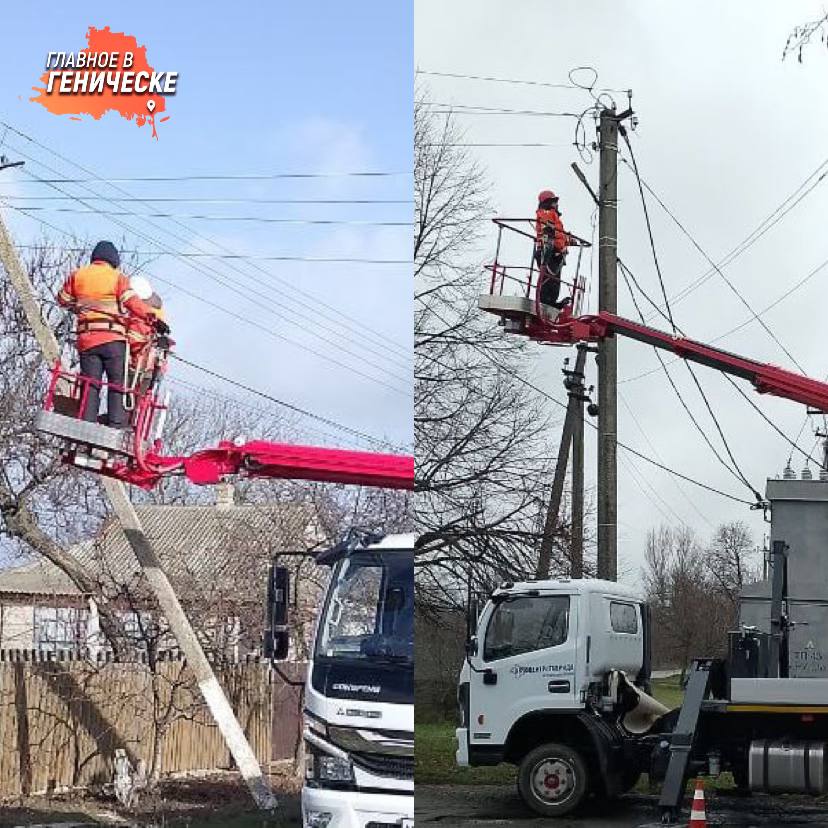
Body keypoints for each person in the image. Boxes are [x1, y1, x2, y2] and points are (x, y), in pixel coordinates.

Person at [57, 241, 163, 427]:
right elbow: (132, 303)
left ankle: (86, 424)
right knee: (117, 384)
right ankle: (116, 425)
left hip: (87, 340)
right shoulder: (117, 278)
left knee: (90, 384)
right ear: (113, 260)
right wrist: (153, 318)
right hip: (113, 341)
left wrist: (81, 305)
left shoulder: (78, 275)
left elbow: (62, 299)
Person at [126, 275, 170, 395]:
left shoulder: (137, 318)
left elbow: (132, 341)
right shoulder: (157, 316)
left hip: (136, 367)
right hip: (148, 367)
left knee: (125, 398)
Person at [534, 189, 573, 309]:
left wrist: (568, 240)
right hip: (548, 251)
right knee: (548, 279)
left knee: (554, 281)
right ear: (548, 202)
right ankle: (545, 303)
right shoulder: (546, 212)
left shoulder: (555, 217)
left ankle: (551, 303)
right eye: (554, 201)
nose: (557, 204)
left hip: (556, 253)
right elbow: (549, 229)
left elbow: (558, 234)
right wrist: (548, 231)